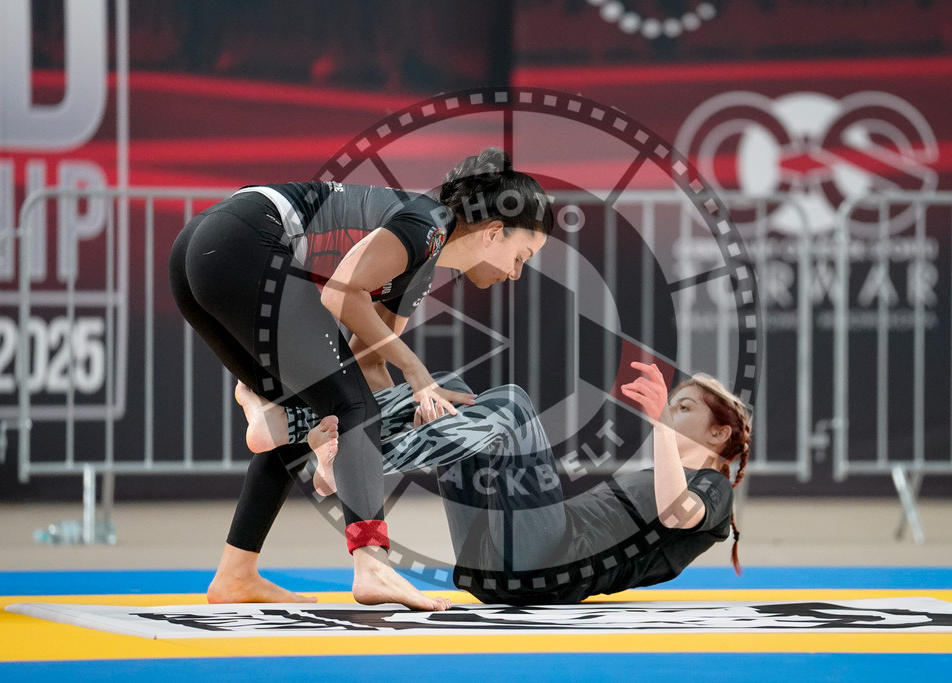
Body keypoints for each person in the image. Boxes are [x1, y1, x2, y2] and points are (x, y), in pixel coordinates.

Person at [168, 147, 553, 611]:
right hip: (238, 244)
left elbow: (366, 361)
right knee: (351, 410)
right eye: (522, 256)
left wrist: (405, 409)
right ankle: (372, 566)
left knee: (322, 411)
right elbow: (340, 292)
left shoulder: (421, 256)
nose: (516, 274)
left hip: (203, 251)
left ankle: (235, 573)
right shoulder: (427, 223)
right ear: (493, 233)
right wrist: (415, 374)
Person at [243, 362, 751, 605]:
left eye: (684, 408)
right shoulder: (661, 470)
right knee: (450, 392)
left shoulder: (714, 489)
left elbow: (675, 513)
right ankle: (311, 433)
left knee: (511, 401)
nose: (670, 411)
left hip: (551, 564)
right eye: (673, 405)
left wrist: (659, 426)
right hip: (496, 568)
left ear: (719, 432)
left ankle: (357, 463)